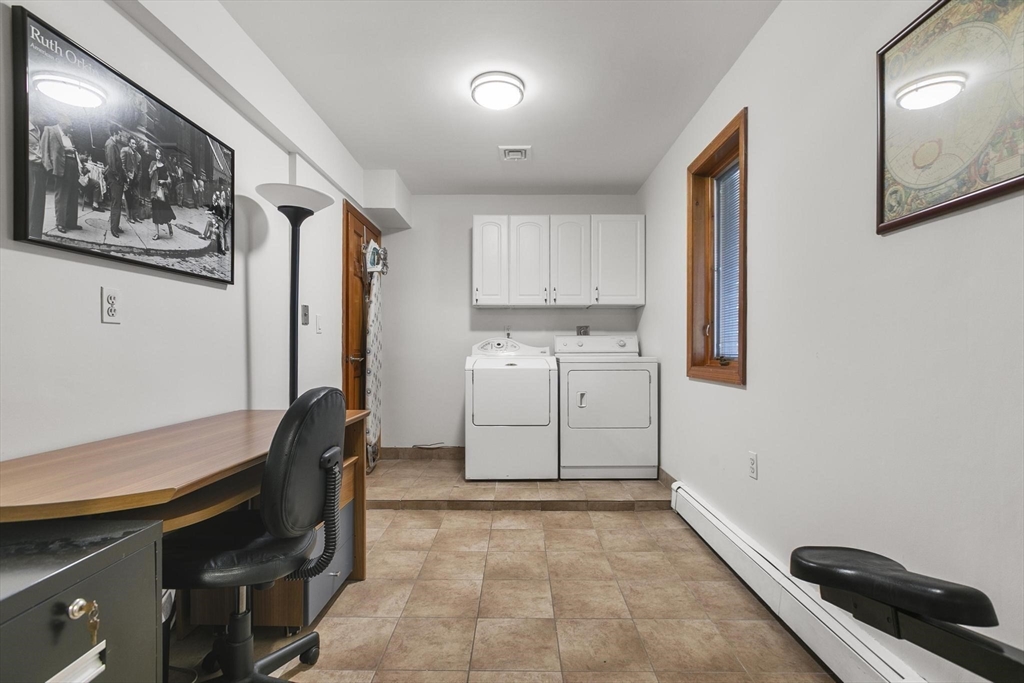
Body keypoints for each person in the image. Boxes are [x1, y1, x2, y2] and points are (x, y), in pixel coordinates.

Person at [40, 114, 80, 234]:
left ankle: (71, 222)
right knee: (61, 195)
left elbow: (74, 152)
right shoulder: (50, 130)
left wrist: (79, 166)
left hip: (73, 165)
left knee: (73, 195)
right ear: (62, 121)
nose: (71, 126)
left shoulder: (69, 136)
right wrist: (49, 168)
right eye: (69, 123)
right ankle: (60, 223)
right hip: (61, 166)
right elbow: (44, 149)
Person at [104, 126, 127, 238]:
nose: (120, 137)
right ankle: (113, 228)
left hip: (117, 178)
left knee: (117, 203)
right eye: (119, 135)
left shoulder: (113, 144)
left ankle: (116, 226)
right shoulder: (111, 144)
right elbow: (112, 163)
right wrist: (117, 178)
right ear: (114, 133)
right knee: (115, 203)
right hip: (114, 179)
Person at [149, 148, 176, 241]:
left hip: (162, 192)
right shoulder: (152, 163)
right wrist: (153, 170)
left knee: (165, 211)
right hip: (154, 192)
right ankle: (157, 234)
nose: (157, 155)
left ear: (161, 155)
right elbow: (149, 176)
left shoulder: (164, 167)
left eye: (159, 153)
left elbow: (169, 181)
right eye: (156, 153)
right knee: (155, 213)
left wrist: (163, 181)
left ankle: (169, 224)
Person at [27, 116, 46, 237]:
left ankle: (35, 234)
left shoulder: (38, 129)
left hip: (39, 168)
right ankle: (28, 232)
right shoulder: (26, 128)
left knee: (38, 203)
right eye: (42, 115)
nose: (44, 118)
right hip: (31, 167)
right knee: (31, 201)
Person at [120, 136, 141, 223]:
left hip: (135, 179)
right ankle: (129, 217)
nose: (134, 145)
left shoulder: (138, 156)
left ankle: (135, 216)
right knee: (128, 197)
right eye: (132, 143)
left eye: (135, 143)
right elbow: (122, 165)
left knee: (136, 197)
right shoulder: (125, 151)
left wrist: (138, 178)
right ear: (129, 143)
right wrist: (126, 177)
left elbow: (140, 170)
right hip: (127, 178)